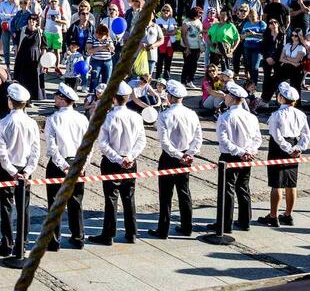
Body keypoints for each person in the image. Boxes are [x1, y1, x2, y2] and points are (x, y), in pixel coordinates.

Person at [90, 82, 146, 246]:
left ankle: (108, 234)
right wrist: (130, 157)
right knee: (129, 197)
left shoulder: (107, 117)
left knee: (111, 198)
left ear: (114, 98)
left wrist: (118, 159)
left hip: (112, 162)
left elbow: (103, 144)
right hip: (130, 161)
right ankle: (131, 232)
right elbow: (141, 141)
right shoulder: (136, 117)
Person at [148, 81, 201, 239]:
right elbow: (198, 138)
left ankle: (163, 229)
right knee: (184, 192)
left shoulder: (164, 115)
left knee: (166, 194)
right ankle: (187, 226)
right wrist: (188, 154)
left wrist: (179, 155)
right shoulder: (192, 114)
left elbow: (165, 143)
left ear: (170, 97)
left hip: (169, 157)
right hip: (185, 156)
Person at [0, 83, 39, 258]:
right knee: (23, 207)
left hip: (8, 169)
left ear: (10, 101)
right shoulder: (32, 123)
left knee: (6, 206)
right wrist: (27, 170)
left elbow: (2, 153)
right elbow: (35, 150)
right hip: (25, 168)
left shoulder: (3, 122)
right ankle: (22, 242)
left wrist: (12, 171)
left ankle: (7, 242)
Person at [210, 81, 262, 233]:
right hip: (246, 156)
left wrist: (240, 152)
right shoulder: (251, 117)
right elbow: (257, 139)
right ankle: (245, 221)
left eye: (227, 95)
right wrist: (248, 152)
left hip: (230, 156)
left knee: (227, 190)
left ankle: (225, 224)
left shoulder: (225, 117)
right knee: (243, 187)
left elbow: (224, 140)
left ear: (232, 98)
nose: (225, 97)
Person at [257, 83, 309, 228]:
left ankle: (273, 216)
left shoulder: (277, 115)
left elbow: (277, 136)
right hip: (294, 144)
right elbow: (306, 134)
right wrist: (298, 148)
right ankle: (288, 214)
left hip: (279, 148)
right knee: (291, 183)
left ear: (281, 98)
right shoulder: (301, 114)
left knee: (277, 184)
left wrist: (288, 149)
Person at [43, 83, 87, 250]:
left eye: (56, 96)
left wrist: (63, 166)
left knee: (55, 202)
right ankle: (78, 237)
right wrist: (82, 165)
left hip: (58, 165)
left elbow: (52, 148)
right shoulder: (82, 119)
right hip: (77, 163)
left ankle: (54, 240)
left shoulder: (53, 119)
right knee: (76, 201)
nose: (55, 98)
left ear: (62, 98)